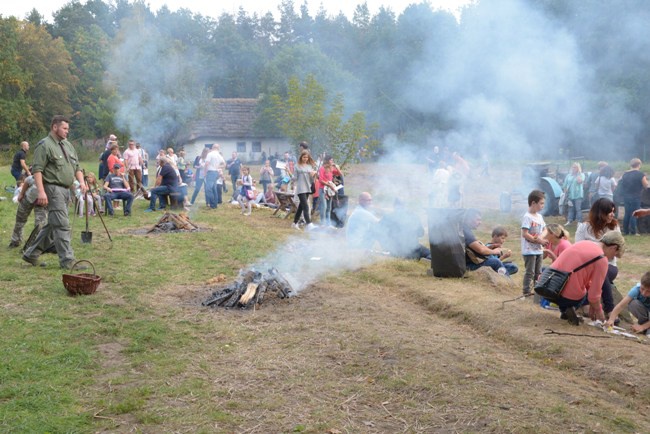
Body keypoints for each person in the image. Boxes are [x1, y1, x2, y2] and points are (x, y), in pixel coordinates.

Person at [22, 115, 87, 269]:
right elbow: (37, 170)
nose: (67, 132)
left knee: (52, 224)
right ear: (54, 127)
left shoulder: (68, 145)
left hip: (66, 190)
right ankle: (67, 261)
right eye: (64, 128)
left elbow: (76, 167)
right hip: (52, 189)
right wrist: (41, 192)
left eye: (68, 129)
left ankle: (31, 254)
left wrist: (82, 183)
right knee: (62, 225)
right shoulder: (44, 145)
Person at [549, 231, 624, 325]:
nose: (612, 258)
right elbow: (594, 295)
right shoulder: (601, 259)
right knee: (582, 291)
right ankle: (567, 306)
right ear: (614, 248)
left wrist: (593, 305)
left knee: (580, 284)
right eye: (615, 255)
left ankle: (565, 309)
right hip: (567, 295)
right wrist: (599, 312)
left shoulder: (584, 243)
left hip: (549, 287)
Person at [575, 198, 621, 318]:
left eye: (613, 211)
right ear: (600, 213)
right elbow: (578, 249)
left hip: (609, 265)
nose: (612, 214)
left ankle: (610, 309)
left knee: (602, 271)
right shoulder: (584, 227)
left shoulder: (614, 228)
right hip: (587, 265)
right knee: (588, 272)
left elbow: (618, 252)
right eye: (609, 211)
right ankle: (585, 303)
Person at [462, 209, 511, 275]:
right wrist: (495, 251)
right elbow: (481, 250)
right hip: (469, 265)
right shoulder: (466, 232)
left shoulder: (465, 230)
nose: (480, 222)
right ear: (469, 219)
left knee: (512, 266)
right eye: (478, 220)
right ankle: (507, 282)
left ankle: (495, 275)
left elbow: (477, 248)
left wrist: (491, 247)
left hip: (471, 263)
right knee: (496, 262)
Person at [9, 175, 47, 249]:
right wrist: (21, 194)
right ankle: (15, 241)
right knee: (20, 220)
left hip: (42, 203)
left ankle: (35, 245)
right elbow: (27, 180)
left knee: (40, 224)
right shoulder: (38, 174)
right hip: (28, 198)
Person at [521, 190, 546, 295]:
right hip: (529, 250)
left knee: (538, 272)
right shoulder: (527, 217)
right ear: (533, 203)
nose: (543, 206)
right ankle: (526, 291)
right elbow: (525, 233)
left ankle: (537, 290)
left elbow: (545, 229)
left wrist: (541, 237)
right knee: (530, 272)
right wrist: (536, 240)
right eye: (541, 203)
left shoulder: (539, 217)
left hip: (539, 250)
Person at [619, 158, 648, 236]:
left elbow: (620, 184)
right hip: (636, 197)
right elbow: (646, 186)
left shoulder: (625, 174)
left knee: (627, 213)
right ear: (639, 165)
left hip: (626, 197)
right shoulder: (640, 174)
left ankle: (625, 231)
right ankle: (633, 232)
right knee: (635, 213)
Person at [291, 150, 317, 231]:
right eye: (304, 157)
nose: (305, 159)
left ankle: (294, 223)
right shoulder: (297, 166)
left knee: (301, 207)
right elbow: (294, 178)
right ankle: (309, 224)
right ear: (301, 157)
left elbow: (312, 179)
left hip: (308, 188)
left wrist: (314, 175)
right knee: (306, 206)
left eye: (307, 157)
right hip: (301, 188)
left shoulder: (310, 166)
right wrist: (288, 173)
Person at [318, 156, 337, 227]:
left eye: (332, 160)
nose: (332, 162)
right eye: (331, 160)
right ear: (327, 161)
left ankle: (328, 224)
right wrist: (330, 186)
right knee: (324, 206)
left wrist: (336, 167)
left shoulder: (331, 169)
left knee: (329, 207)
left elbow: (340, 174)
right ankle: (322, 223)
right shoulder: (322, 169)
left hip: (329, 190)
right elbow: (321, 180)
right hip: (322, 189)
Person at [204, 144, 225, 209]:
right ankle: (215, 204)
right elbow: (224, 164)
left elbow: (207, 163)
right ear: (218, 148)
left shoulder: (210, 154)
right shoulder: (219, 155)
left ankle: (212, 203)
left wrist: (205, 172)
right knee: (214, 189)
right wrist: (218, 167)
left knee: (208, 189)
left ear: (212, 147)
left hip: (210, 172)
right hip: (216, 173)